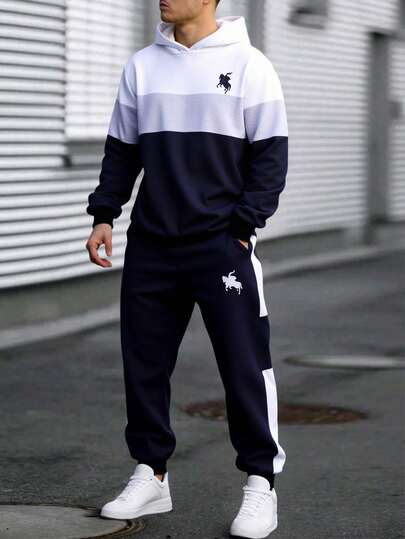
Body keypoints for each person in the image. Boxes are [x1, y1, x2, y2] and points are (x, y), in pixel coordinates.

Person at [85, 1, 288, 537]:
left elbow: (270, 157)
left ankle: (261, 483)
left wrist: (242, 226)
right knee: (144, 364)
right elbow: (122, 151)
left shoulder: (249, 65)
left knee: (244, 365)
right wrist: (104, 214)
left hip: (221, 245)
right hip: (152, 244)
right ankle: (151, 474)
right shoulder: (142, 67)